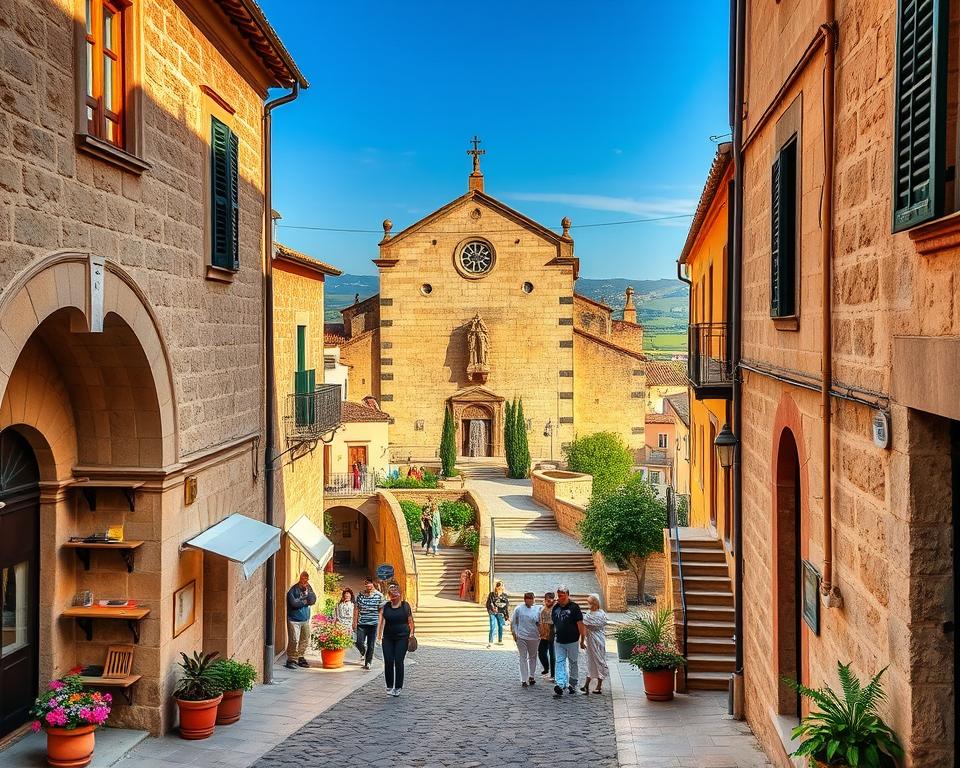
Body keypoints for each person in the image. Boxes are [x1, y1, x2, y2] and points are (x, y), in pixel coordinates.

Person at [377, 584, 415, 696]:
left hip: (402, 637)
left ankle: (398, 686)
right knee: (388, 661)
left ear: (400, 594)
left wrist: (411, 634)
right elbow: (380, 620)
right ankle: (389, 685)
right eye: (391, 594)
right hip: (388, 637)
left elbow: (410, 621)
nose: (394, 596)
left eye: (396, 594)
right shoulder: (386, 606)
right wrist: (379, 636)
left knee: (399, 661)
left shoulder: (405, 606)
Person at [551, 585, 585, 697]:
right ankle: (560, 684)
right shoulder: (555, 608)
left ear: (567, 595)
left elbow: (580, 624)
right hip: (559, 640)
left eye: (563, 596)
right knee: (559, 661)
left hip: (572, 640)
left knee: (573, 662)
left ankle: (573, 684)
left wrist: (582, 639)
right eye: (559, 596)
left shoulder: (574, 607)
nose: (561, 598)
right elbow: (555, 623)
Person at [285, 571, 317, 670]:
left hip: (305, 619)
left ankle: (300, 657)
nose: (305, 581)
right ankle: (291, 659)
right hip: (294, 619)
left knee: (305, 639)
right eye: (304, 579)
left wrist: (306, 598)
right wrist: (306, 601)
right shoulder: (292, 590)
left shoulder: (308, 588)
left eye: (307, 579)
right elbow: (294, 604)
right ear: (300, 578)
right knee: (294, 640)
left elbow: (313, 600)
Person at [511, 591, 542, 687]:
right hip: (521, 636)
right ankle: (523, 679)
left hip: (534, 637)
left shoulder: (538, 609)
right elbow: (514, 622)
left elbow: (541, 621)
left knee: (533, 657)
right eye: (528, 599)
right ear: (525, 600)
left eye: (532, 599)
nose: (531, 601)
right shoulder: (519, 609)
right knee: (522, 657)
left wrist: (541, 633)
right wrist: (514, 633)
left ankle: (531, 676)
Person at [581, 593, 609, 694]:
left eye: (589, 603)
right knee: (591, 661)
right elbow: (585, 627)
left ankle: (598, 685)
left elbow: (587, 626)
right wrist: (582, 640)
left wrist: (582, 640)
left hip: (597, 639)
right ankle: (586, 685)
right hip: (591, 640)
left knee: (599, 660)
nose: (588, 605)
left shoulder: (600, 614)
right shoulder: (591, 614)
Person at [353, 576, 384, 670]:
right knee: (359, 642)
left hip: (373, 624)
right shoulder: (360, 595)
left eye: (369, 583)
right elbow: (357, 609)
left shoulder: (379, 596)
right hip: (361, 623)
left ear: (373, 584)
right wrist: (354, 622)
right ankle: (364, 652)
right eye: (366, 583)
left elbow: (381, 611)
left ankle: (368, 662)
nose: (368, 585)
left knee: (371, 644)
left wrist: (379, 625)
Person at [538, 591, 556, 680]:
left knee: (553, 654)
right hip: (544, 634)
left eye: (549, 600)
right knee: (541, 652)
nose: (548, 602)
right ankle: (546, 668)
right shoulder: (543, 608)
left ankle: (553, 674)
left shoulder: (556, 608)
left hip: (553, 634)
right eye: (546, 600)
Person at [485, 581, 509, 647]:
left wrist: (507, 616)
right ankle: (490, 641)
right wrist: (491, 609)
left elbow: (506, 606)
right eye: (500, 587)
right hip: (492, 612)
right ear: (497, 587)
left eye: (502, 587)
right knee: (492, 626)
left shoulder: (504, 595)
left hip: (500, 613)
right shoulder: (492, 594)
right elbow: (488, 603)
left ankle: (500, 640)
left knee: (500, 626)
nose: (501, 588)